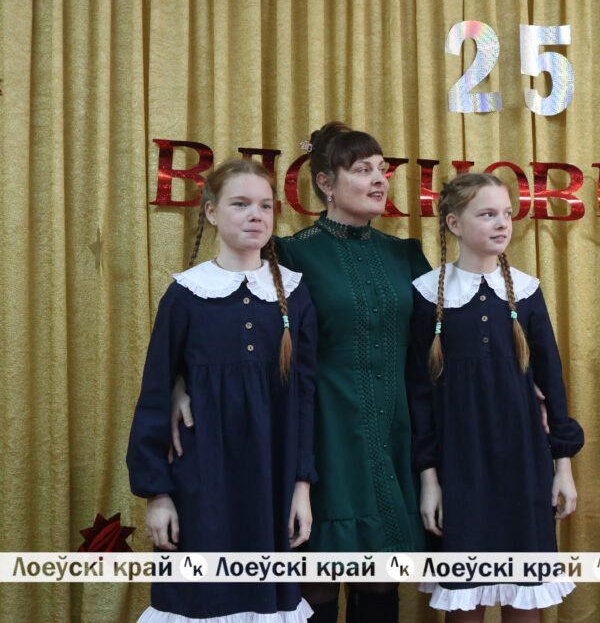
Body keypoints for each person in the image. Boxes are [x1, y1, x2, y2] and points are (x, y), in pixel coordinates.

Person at [169, 124, 429, 623]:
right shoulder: (290, 253)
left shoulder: (406, 255)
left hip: (394, 437)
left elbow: (436, 349)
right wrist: (180, 382)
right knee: (316, 581)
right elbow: (235, 324)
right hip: (322, 438)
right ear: (326, 184)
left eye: (383, 170)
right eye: (363, 170)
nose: (379, 180)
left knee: (381, 583)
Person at [127, 159, 317, 622]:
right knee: (202, 600)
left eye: (266, 206)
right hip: (201, 483)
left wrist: (301, 488)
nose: (256, 215)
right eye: (241, 204)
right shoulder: (186, 295)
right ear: (211, 212)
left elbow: (304, 400)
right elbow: (155, 394)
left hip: (271, 483)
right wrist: (157, 495)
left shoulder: (295, 295)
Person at [406, 173, 584, 621]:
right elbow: (420, 395)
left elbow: (552, 382)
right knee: (465, 598)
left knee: (525, 595)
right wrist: (430, 481)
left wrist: (562, 469)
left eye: (506, 213)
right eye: (487, 214)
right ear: (454, 223)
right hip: (459, 466)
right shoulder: (426, 296)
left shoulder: (526, 291)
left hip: (524, 465)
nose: (502, 223)